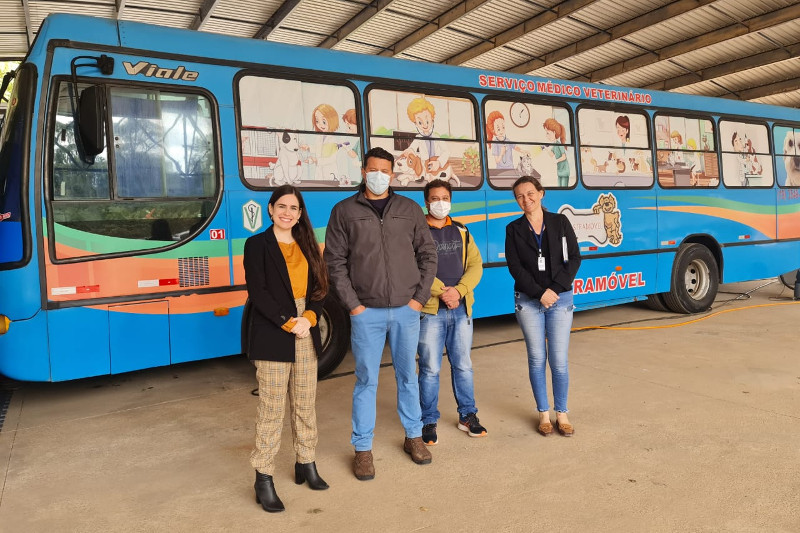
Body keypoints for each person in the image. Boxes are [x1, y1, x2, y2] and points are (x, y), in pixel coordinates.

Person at [324, 146, 438, 480]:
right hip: (366, 313)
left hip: (406, 310)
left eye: (385, 171)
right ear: (363, 171)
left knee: (407, 377)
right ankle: (362, 449)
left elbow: (427, 254)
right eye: (373, 170)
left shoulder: (409, 209)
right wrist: (354, 306)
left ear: (392, 174)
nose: (379, 176)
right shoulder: (344, 211)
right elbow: (335, 262)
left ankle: (413, 437)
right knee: (366, 381)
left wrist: (417, 299)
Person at [243, 185, 330, 512]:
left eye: (294, 208)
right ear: (270, 209)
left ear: (300, 213)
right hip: (272, 331)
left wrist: (308, 317)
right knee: (272, 409)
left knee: (305, 404)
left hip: (306, 328)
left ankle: (305, 462)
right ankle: (263, 476)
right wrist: (288, 321)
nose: (288, 213)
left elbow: (321, 288)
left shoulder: (308, 244)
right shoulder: (257, 245)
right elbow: (258, 291)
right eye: (282, 206)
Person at [505, 176, 581, 437]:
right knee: (537, 358)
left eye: (530, 193)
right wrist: (539, 294)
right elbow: (515, 268)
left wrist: (553, 291)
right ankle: (543, 414)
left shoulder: (559, 222)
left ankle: (562, 413)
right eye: (519, 196)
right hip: (528, 301)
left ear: (541, 193)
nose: (526, 200)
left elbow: (574, 259)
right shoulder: (513, 229)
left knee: (559, 361)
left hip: (560, 300)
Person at [417, 179, 485, 446]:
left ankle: (468, 415)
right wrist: (441, 291)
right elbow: (413, 267)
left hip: (460, 309)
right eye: (434, 198)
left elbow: (476, 265)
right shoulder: (417, 231)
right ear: (426, 202)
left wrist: (459, 291)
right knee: (430, 368)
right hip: (431, 312)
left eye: (444, 198)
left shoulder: (461, 230)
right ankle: (428, 420)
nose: (440, 203)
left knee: (463, 366)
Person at [543, 118, 570, 187]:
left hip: (564, 170)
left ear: (554, 132)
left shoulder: (559, 144)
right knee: (560, 187)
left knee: (564, 188)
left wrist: (556, 160)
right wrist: (546, 149)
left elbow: (564, 157)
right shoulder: (554, 145)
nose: (546, 136)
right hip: (560, 170)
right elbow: (552, 154)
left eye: (548, 133)